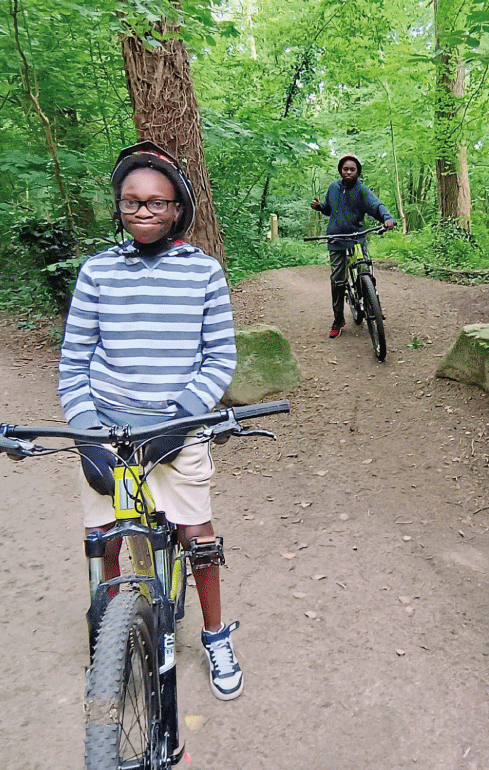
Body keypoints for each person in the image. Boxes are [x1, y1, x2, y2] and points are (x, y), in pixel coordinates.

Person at [58, 141, 243, 701]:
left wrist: (181, 422)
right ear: (118, 206)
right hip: (110, 431)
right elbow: (74, 361)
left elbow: (220, 358)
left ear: (178, 208)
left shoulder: (203, 272)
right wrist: (88, 433)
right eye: (132, 202)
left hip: (178, 429)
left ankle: (214, 634)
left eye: (157, 203)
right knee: (102, 536)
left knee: (197, 535)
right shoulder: (96, 273)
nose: (144, 212)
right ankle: (111, 636)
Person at [311, 154, 396, 338]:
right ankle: (338, 318)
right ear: (341, 170)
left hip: (357, 238)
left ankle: (373, 304)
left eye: (352, 169)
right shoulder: (333, 188)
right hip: (336, 240)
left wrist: (387, 218)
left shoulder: (362, 191)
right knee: (337, 281)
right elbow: (329, 208)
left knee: (365, 270)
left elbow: (376, 205)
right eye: (345, 169)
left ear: (357, 172)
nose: (348, 172)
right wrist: (320, 207)